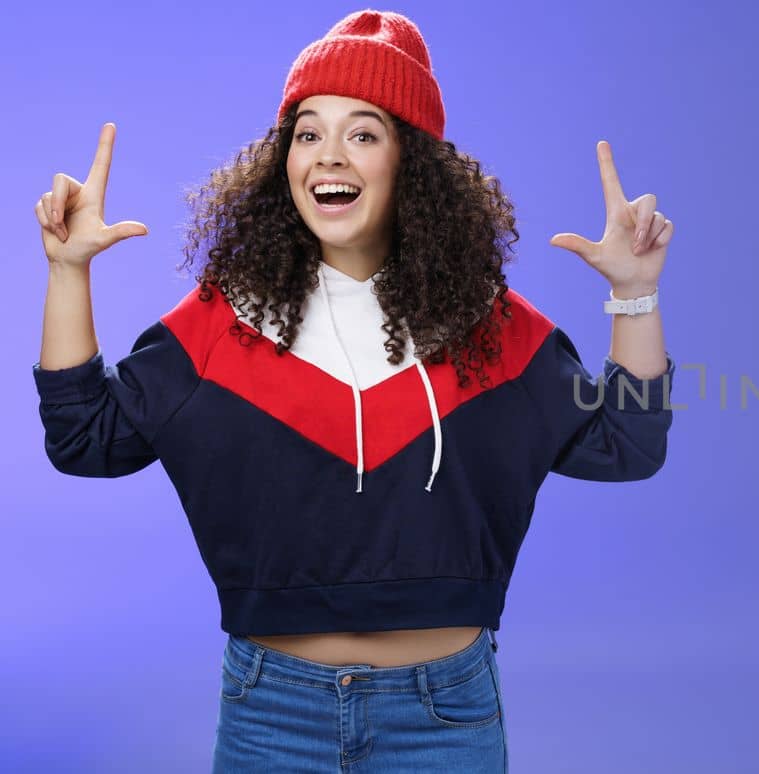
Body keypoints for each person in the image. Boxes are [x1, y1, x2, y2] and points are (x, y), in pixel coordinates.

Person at [30, 10, 676, 772]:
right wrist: (69, 272)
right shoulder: (221, 326)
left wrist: (635, 296)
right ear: (284, 161)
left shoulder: (492, 330)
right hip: (271, 710)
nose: (328, 155)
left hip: (444, 714)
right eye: (308, 133)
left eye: (364, 133)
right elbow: (85, 440)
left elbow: (628, 445)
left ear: (413, 163)